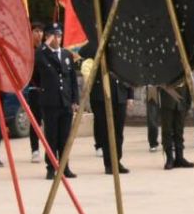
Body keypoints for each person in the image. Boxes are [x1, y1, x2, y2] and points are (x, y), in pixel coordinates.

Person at [83, 45, 133, 175]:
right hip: (102, 97)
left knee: (118, 132)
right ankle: (109, 164)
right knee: (106, 131)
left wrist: (130, 95)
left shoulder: (122, 49)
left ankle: (117, 160)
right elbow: (84, 55)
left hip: (120, 95)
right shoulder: (95, 48)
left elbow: (128, 72)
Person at [36, 24, 78, 179]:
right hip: (50, 103)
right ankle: (51, 168)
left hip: (65, 102)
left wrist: (75, 99)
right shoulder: (43, 54)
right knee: (51, 137)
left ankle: (65, 167)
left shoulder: (66, 54)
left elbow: (72, 79)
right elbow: (37, 55)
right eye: (54, 36)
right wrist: (46, 43)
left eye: (59, 35)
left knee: (65, 138)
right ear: (48, 37)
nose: (57, 39)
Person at [158, 79, 194, 170]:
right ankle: (169, 158)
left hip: (182, 94)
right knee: (167, 130)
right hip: (168, 94)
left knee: (179, 130)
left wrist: (189, 97)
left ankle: (180, 157)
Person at [26, 21, 44, 162]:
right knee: (35, 122)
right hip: (34, 90)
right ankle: (35, 149)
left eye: (41, 31)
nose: (39, 34)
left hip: (48, 91)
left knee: (50, 122)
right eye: (36, 31)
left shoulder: (46, 50)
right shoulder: (28, 51)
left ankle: (51, 149)